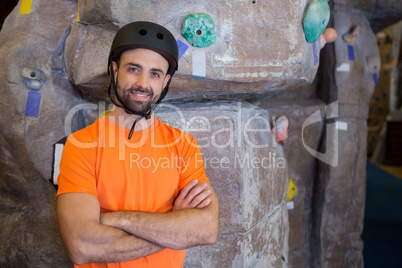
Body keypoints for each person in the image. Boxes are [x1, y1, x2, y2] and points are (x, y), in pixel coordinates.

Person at [56, 21, 219, 267]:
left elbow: (206, 229)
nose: (143, 83)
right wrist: (174, 226)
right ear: (114, 70)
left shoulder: (184, 145)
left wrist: (118, 219)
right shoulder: (81, 145)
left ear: (164, 82)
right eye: (134, 69)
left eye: (155, 74)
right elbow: (82, 246)